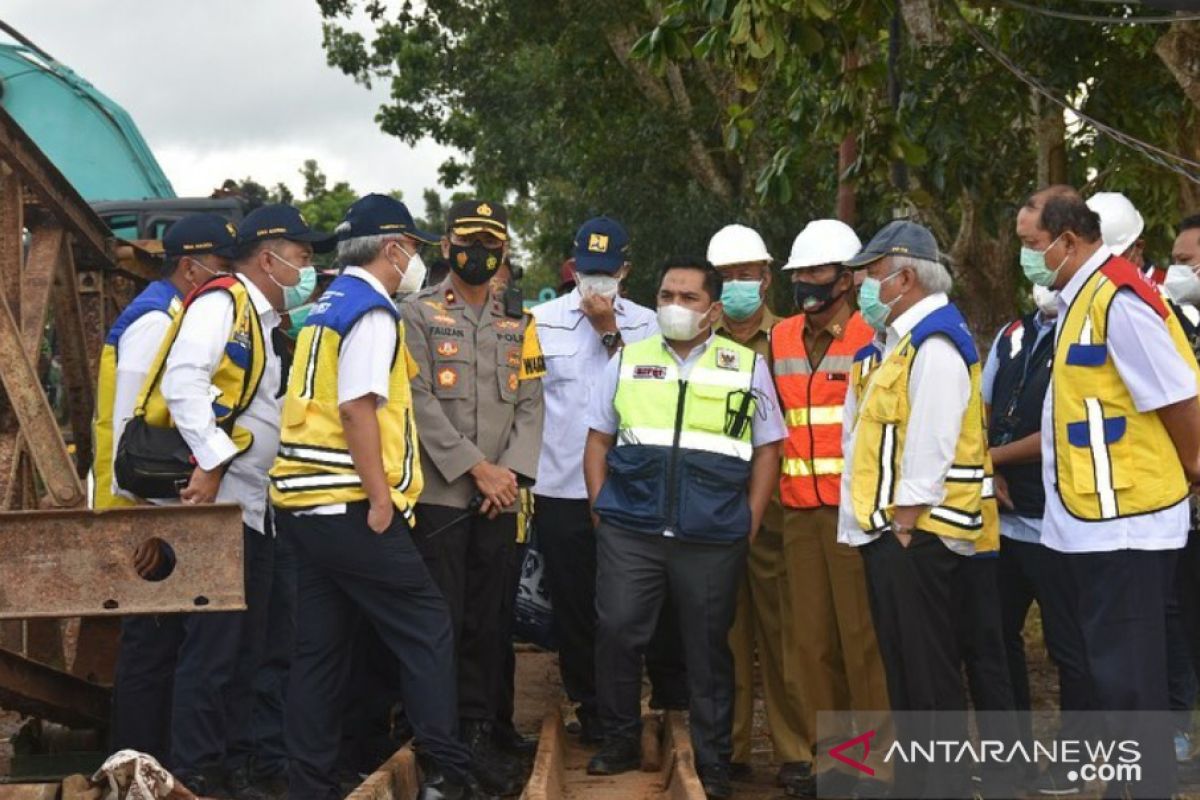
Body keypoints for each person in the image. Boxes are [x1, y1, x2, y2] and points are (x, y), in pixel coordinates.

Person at [269, 194, 479, 800]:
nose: (417, 261)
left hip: (303, 506)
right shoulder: (373, 311)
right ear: (394, 249)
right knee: (428, 626)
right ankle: (447, 770)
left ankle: (307, 782)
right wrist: (381, 499)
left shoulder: (324, 305)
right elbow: (357, 408)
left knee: (320, 650)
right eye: (414, 249)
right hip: (349, 503)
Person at [130, 203, 331, 798]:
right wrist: (213, 461)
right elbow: (184, 382)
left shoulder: (262, 320)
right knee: (214, 647)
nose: (307, 268)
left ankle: (238, 762)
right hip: (219, 506)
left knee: (252, 644)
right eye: (300, 256)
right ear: (268, 257)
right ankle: (196, 769)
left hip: (253, 505)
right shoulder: (223, 303)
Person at [1018, 185, 1200, 798]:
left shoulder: (1120, 299)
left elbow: (1180, 399)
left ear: (1070, 241)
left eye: (1033, 245)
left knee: (1131, 690)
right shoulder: (1080, 297)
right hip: (1091, 523)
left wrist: (1192, 472)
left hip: (1128, 523)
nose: (1028, 257)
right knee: (1110, 681)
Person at [584, 256, 785, 800]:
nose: (674, 305)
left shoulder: (744, 365)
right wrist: (602, 507)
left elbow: (769, 447)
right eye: (666, 295)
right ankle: (620, 738)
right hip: (633, 528)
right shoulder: (628, 359)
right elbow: (599, 438)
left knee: (707, 647)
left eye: (688, 297)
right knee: (619, 631)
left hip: (712, 533)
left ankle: (713, 759)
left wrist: (751, 516)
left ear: (712, 309)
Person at [839, 220, 997, 799]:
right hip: (895, 531)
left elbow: (931, 438)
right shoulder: (898, 342)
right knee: (905, 670)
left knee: (929, 673)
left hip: (919, 533)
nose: (861, 288)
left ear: (903, 278)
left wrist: (903, 520)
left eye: (868, 277)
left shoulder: (935, 342)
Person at [401, 199, 545, 797]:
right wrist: (477, 469)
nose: (479, 252)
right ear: (446, 245)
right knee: (444, 619)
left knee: (491, 619)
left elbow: (533, 404)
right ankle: (442, 743)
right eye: (469, 240)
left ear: (505, 252)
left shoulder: (521, 319)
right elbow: (418, 401)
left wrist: (507, 474)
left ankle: (483, 733)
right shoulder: (416, 314)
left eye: (491, 243)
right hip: (442, 495)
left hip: (501, 497)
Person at [104, 214, 236, 764]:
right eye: (223, 268)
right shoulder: (158, 319)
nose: (229, 280)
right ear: (191, 266)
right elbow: (125, 421)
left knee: (161, 640)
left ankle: (149, 763)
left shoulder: (171, 310)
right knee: (149, 643)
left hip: (154, 501)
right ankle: (133, 763)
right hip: (144, 503)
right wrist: (136, 515)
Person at [769, 220, 890, 798]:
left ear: (847, 278)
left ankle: (873, 770)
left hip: (856, 514)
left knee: (861, 643)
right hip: (799, 513)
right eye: (800, 273)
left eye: (817, 272)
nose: (806, 283)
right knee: (811, 645)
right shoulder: (783, 337)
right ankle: (834, 766)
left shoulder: (875, 335)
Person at [531, 217, 661, 746]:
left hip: (626, 490)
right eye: (588, 273)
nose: (596, 285)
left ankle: (628, 704)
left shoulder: (649, 325)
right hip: (559, 485)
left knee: (623, 607)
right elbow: (526, 403)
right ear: (573, 267)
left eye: (606, 275)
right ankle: (591, 705)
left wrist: (610, 332)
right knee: (574, 608)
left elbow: (643, 394)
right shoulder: (539, 322)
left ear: (625, 271)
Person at [981, 283, 1096, 796]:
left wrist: (989, 462)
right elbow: (980, 410)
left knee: (1069, 649)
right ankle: (1009, 760)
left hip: (1058, 522)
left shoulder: (1085, 337)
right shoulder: (1012, 334)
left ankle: (1077, 761)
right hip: (1003, 522)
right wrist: (988, 472)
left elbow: (1060, 428)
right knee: (996, 643)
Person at [705, 223, 807, 793]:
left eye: (748, 274)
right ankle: (730, 747)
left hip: (778, 511)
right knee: (722, 634)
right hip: (713, 506)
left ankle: (796, 752)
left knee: (785, 633)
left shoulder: (788, 338)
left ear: (767, 278)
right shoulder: (698, 338)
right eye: (728, 277)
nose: (740, 285)